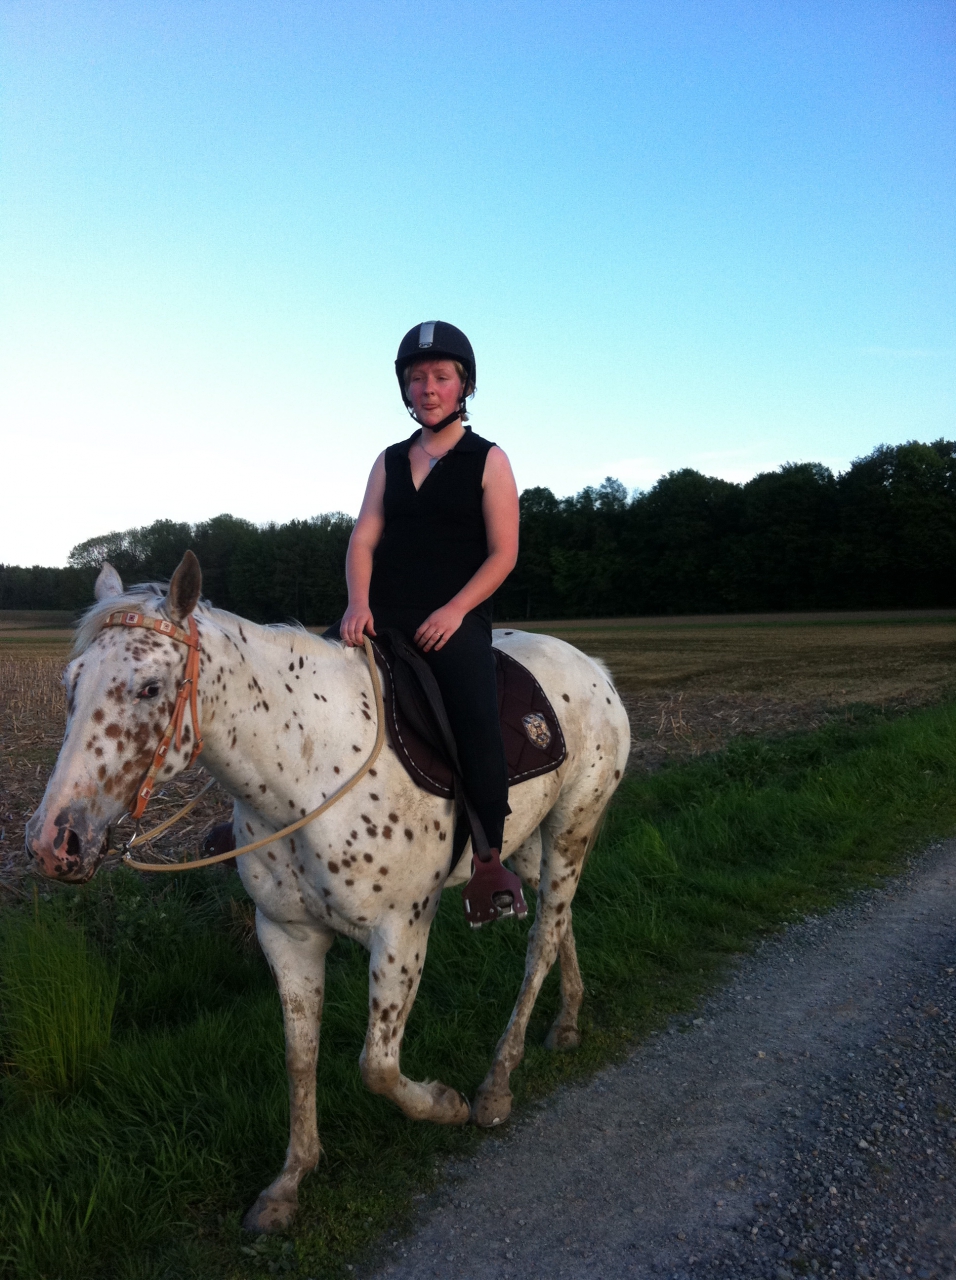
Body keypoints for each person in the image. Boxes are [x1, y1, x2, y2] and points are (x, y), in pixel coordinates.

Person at [340, 321, 519, 883]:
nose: (428, 389)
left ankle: (489, 857)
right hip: (381, 613)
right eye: (417, 379)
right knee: (306, 680)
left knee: (476, 718)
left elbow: (504, 553)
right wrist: (357, 603)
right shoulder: (389, 461)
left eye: (441, 377)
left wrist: (455, 610)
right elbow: (363, 539)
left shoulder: (489, 459)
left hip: (453, 618)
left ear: (464, 386)